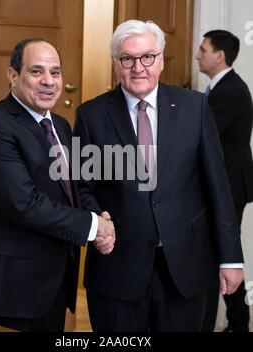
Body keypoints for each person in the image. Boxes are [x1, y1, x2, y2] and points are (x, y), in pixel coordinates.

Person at [74, 20, 244, 332]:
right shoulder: (91, 115)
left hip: (186, 269)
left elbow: (218, 187)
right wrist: (98, 220)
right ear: (115, 63)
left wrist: (231, 258)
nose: (138, 67)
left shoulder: (195, 107)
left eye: (147, 57)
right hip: (118, 270)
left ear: (161, 60)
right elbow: (81, 188)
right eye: (127, 58)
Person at [0, 38, 115, 332]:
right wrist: (94, 226)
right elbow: (25, 204)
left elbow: (71, 190)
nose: (48, 81)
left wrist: (99, 217)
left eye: (55, 72)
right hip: (10, 288)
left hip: (51, 281)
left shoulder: (60, 125)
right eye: (36, 71)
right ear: (13, 76)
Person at [196, 30, 253, 332]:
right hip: (228, 184)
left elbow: (204, 135)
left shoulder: (229, 91)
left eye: (203, 50)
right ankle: (237, 323)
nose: (197, 55)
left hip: (230, 186)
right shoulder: (221, 88)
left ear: (219, 56)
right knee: (224, 254)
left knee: (226, 255)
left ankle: (238, 325)